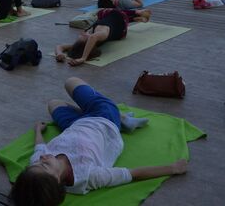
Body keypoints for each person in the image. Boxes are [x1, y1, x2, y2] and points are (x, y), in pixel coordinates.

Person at [10, 76, 188, 205]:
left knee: (53, 103)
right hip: (105, 121)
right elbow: (133, 173)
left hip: (74, 125)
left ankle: (119, 116)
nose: (42, 159)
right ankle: (121, 117)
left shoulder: (37, 167)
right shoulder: (90, 176)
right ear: (57, 180)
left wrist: (38, 131)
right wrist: (173, 168)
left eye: (35, 164)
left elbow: (39, 148)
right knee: (70, 81)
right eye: (45, 165)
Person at [55, 8, 151, 66]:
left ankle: (134, 18)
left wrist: (59, 54)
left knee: (113, 19)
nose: (81, 34)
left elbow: (60, 46)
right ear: (87, 42)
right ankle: (138, 13)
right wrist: (83, 58)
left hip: (118, 30)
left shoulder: (85, 43)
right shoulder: (100, 32)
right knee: (111, 13)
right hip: (118, 20)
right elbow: (93, 37)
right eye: (83, 36)